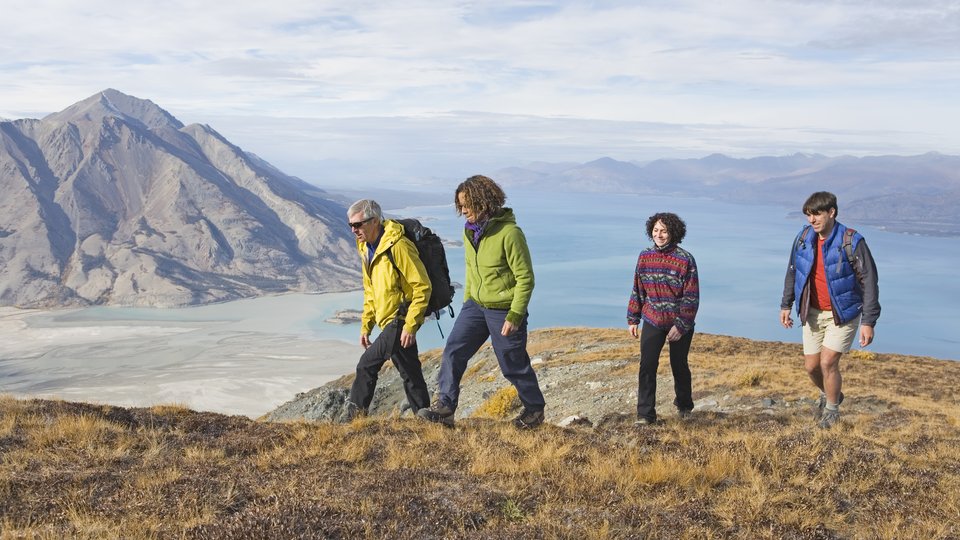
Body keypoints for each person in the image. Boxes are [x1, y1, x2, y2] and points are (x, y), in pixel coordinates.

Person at [417, 175, 546, 429]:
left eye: (467, 204)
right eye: (460, 205)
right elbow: (470, 268)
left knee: (512, 363)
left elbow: (525, 278)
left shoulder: (510, 234)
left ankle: (534, 410)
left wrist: (515, 315)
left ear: (484, 201)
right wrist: (467, 301)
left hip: (504, 310)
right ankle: (445, 408)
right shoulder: (469, 231)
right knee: (453, 351)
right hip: (475, 306)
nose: (463, 211)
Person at [780, 191, 880, 429]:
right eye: (808, 215)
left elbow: (869, 281)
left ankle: (832, 411)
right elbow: (793, 270)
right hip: (812, 311)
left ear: (832, 212)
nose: (811, 220)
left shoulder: (852, 241)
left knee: (827, 363)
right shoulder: (804, 237)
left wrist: (868, 321)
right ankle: (831, 393)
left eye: (816, 214)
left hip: (842, 314)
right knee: (811, 367)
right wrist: (786, 304)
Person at [340, 199, 432, 422]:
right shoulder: (366, 248)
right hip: (387, 320)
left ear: (374, 221)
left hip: (400, 318)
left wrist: (410, 325)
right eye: (351, 225)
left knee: (366, 365)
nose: (354, 231)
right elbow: (370, 290)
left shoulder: (398, 246)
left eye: (358, 225)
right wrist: (366, 324)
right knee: (410, 372)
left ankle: (352, 421)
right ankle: (425, 417)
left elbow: (422, 286)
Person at [627, 212, 700, 426]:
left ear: (673, 233)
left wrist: (681, 325)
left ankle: (684, 406)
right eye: (656, 230)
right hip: (652, 319)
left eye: (664, 231)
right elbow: (638, 288)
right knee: (647, 365)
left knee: (679, 365)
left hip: (679, 322)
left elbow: (691, 296)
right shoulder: (645, 256)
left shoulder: (685, 259)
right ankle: (645, 415)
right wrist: (633, 317)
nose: (659, 235)